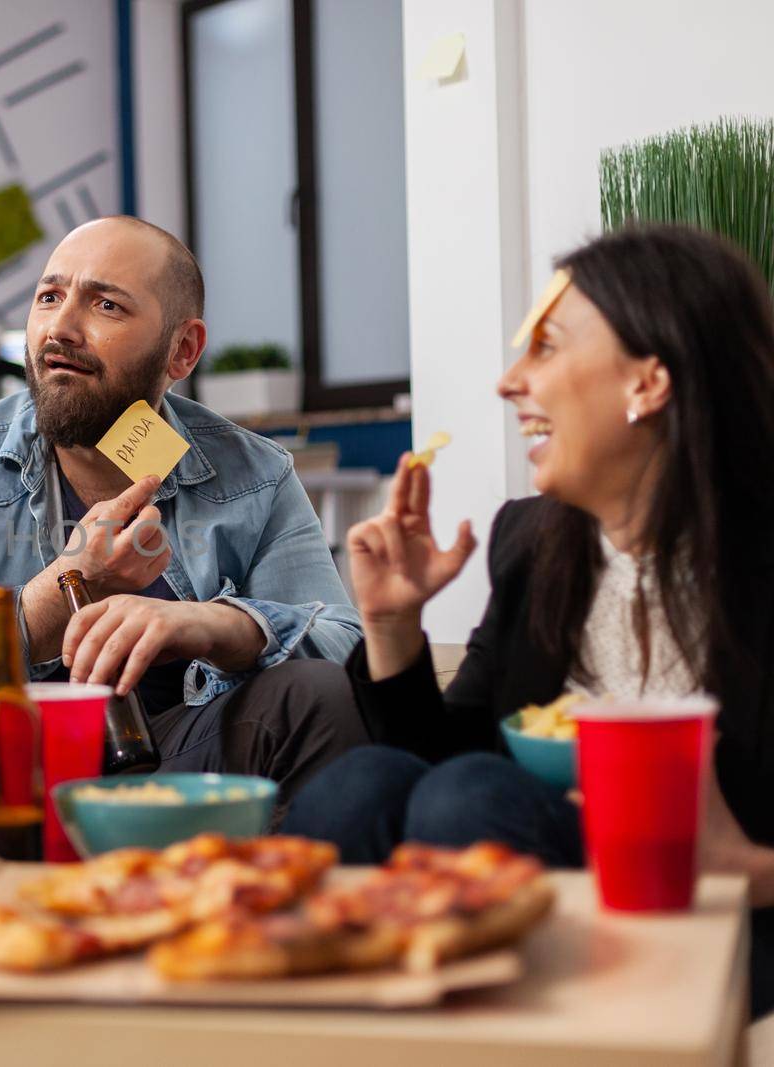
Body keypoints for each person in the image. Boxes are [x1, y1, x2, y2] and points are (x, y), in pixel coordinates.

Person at [280, 224, 774, 1017]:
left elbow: (466, 793)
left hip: (722, 921)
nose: (509, 382)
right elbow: (444, 759)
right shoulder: (533, 541)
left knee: (467, 799)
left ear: (648, 383)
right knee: (362, 786)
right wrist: (394, 626)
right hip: (544, 881)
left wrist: (744, 866)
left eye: (545, 348)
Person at [0, 216, 366, 842]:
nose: (60, 329)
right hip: (25, 764)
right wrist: (68, 585)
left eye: (106, 305)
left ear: (182, 350)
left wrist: (213, 625)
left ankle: (274, 918)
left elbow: (345, 648)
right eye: (49, 297)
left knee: (314, 692)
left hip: (184, 753)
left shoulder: (253, 475)